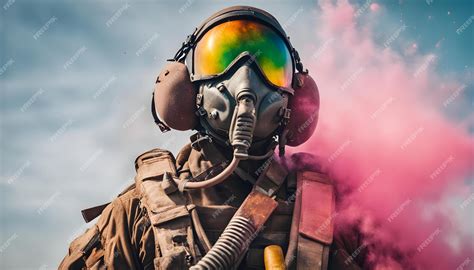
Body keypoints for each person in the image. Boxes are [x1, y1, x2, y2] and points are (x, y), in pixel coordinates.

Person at [60, 6, 366, 270]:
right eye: (222, 60)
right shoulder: (138, 211)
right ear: (186, 91)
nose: (245, 79)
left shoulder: (337, 209)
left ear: (294, 97)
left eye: (269, 64)